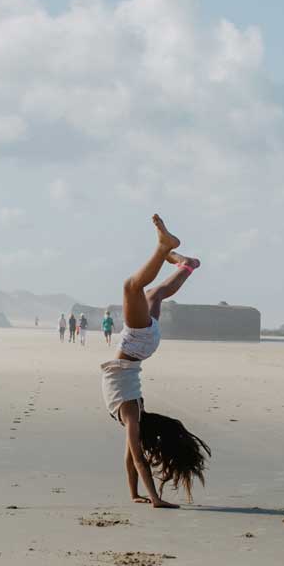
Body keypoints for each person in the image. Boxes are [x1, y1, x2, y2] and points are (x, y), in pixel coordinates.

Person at [101, 214, 211, 510]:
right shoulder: (131, 413)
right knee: (130, 288)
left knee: (154, 293)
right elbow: (137, 458)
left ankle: (186, 264)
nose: (135, 442)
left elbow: (129, 458)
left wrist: (134, 494)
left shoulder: (134, 409)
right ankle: (164, 247)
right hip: (136, 345)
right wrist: (155, 498)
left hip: (144, 346)